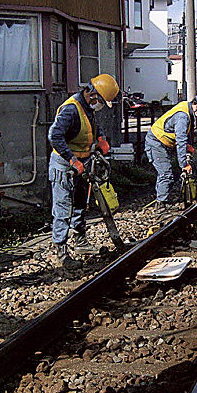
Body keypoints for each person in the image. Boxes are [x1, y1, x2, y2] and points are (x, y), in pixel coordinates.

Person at [47, 75, 117, 267]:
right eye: (101, 101)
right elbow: (54, 136)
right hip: (64, 165)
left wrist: (101, 138)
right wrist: (72, 159)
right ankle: (61, 252)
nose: (100, 105)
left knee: (79, 204)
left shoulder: (87, 108)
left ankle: (80, 242)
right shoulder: (71, 110)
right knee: (63, 209)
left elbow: (93, 127)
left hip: (82, 164)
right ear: (92, 94)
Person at [145, 91, 197, 210]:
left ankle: (163, 200)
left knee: (167, 173)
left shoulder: (187, 109)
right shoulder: (183, 116)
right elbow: (180, 141)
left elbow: (186, 135)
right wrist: (184, 164)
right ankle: (161, 205)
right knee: (166, 174)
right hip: (156, 143)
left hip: (163, 143)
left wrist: (188, 146)